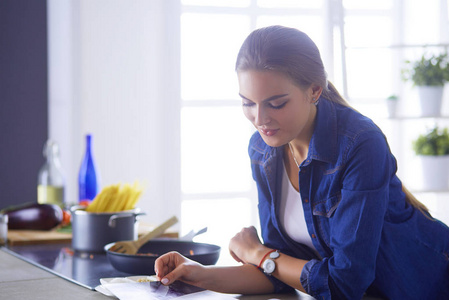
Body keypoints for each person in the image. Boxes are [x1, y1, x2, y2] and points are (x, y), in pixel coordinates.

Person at [155, 25, 449, 299]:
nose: (260, 119)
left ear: (314, 91)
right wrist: (200, 275)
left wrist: (258, 254)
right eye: (247, 103)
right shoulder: (262, 150)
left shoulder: (360, 144)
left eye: (276, 103)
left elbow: (344, 283)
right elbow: (278, 270)